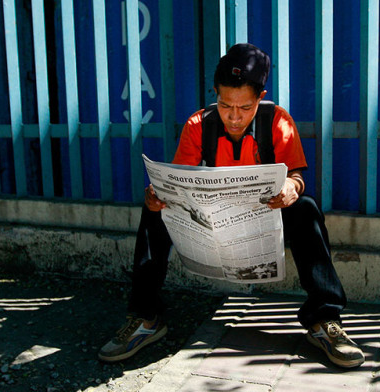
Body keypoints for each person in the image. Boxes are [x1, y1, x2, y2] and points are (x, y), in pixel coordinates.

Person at [98, 43, 364, 369]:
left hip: (263, 226)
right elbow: (177, 182)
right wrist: (159, 196)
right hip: (211, 227)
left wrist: (291, 188)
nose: (234, 117)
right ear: (216, 94)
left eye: (245, 107)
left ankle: (324, 321)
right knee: (155, 209)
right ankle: (144, 318)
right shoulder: (199, 125)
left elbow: (296, 176)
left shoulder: (278, 122)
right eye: (225, 105)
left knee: (306, 208)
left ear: (260, 97)